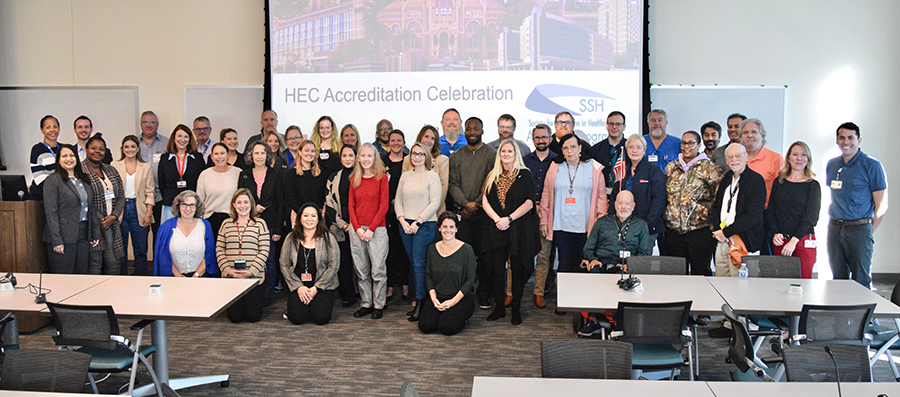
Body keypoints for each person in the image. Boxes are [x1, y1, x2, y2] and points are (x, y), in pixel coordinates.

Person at [481, 140, 539, 325]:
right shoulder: (493, 175)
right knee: (496, 270)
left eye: (510, 151)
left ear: (516, 154)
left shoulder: (524, 175)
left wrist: (509, 219)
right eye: (503, 151)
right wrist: (498, 219)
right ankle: (499, 308)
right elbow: (485, 200)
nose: (506, 154)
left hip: (518, 229)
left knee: (519, 270)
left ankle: (516, 308)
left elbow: (529, 203)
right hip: (496, 228)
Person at [577, 190, 650, 336]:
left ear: (633, 206)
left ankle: (618, 322)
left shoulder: (641, 225)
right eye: (620, 203)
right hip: (601, 263)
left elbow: (644, 253)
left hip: (624, 266)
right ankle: (595, 320)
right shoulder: (602, 222)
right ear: (615, 204)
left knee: (622, 282)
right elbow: (588, 248)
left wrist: (631, 265)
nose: (623, 207)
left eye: (627, 203)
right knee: (593, 278)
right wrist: (593, 260)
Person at [539, 133, 608, 286]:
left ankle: (580, 300)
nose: (569, 151)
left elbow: (602, 198)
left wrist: (600, 221)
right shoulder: (555, 167)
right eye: (565, 148)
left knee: (581, 263)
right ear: (561, 151)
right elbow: (546, 195)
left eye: (573, 147)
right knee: (564, 263)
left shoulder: (594, 168)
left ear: (580, 148)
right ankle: (563, 300)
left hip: (584, 225)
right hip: (561, 225)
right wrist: (544, 220)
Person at [827, 122, 888, 288]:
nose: (846, 141)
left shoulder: (871, 165)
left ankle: (865, 314)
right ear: (837, 140)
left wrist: (867, 231)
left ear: (859, 140)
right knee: (838, 276)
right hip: (835, 228)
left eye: (850, 137)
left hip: (859, 228)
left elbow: (881, 205)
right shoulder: (832, 165)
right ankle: (841, 313)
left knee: (861, 278)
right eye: (842, 137)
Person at [448, 117, 497, 309]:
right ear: (463, 131)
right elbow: (452, 184)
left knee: (485, 258)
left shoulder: (492, 154)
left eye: (476, 128)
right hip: (463, 215)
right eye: (468, 129)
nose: (472, 131)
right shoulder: (457, 156)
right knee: (464, 256)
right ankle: (464, 293)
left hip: (485, 214)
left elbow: (491, 182)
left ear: (483, 131)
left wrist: (475, 204)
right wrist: (465, 204)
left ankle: (484, 293)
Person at [663, 131, 723, 276]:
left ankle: (702, 299)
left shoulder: (709, 168)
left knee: (700, 272)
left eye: (690, 143)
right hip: (674, 231)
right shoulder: (671, 168)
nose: (686, 146)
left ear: (698, 145)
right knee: (676, 274)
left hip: (699, 230)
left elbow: (719, 198)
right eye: (683, 143)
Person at [395, 142, 442, 322]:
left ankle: (421, 303)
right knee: (413, 264)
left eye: (421, 154)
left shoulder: (432, 176)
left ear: (427, 157)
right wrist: (402, 220)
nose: (416, 157)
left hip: (424, 225)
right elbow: (398, 200)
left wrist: (418, 221)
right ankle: (417, 301)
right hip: (404, 224)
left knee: (419, 264)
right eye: (414, 153)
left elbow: (434, 203)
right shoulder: (406, 176)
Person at [766, 141, 821, 279]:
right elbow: (771, 210)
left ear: (808, 159)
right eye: (795, 154)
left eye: (803, 155)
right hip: (781, 240)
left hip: (802, 240)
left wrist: (794, 241)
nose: (799, 158)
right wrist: (775, 233)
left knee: (803, 284)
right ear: (788, 158)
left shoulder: (813, 185)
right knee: (782, 282)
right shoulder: (779, 182)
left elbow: (811, 217)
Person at [710, 143, 766, 277]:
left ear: (746, 156)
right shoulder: (727, 178)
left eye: (737, 155)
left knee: (742, 286)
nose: (733, 159)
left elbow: (752, 216)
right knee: (721, 282)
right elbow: (717, 206)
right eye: (729, 157)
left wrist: (726, 232)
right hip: (723, 240)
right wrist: (719, 230)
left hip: (744, 242)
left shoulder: (756, 180)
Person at [42, 145, 100, 274]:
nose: (69, 159)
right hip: (63, 237)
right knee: (64, 277)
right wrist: (56, 240)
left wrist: (95, 233)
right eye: (64, 156)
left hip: (83, 235)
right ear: (58, 160)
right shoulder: (53, 180)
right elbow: (51, 212)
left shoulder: (84, 180)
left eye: (72, 155)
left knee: (81, 276)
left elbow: (91, 209)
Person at [239, 141, 284, 305]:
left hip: (270, 223)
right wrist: (252, 207)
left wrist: (278, 229)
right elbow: (240, 198)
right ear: (251, 155)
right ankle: (250, 290)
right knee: (250, 258)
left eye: (262, 153)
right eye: (256, 153)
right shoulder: (244, 174)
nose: (259, 156)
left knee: (269, 260)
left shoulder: (276, 174)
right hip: (249, 223)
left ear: (268, 155)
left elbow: (280, 202)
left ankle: (267, 294)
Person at [348, 143, 390, 320]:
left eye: (369, 156)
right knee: (361, 269)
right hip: (357, 229)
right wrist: (357, 228)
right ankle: (366, 303)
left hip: (377, 229)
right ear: (358, 158)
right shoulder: (354, 179)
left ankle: (379, 304)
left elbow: (384, 206)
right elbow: (351, 206)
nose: (366, 159)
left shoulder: (381, 179)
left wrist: (371, 229)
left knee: (378, 270)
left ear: (375, 158)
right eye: (363, 156)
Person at [280, 202, 340, 325]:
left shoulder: (328, 238)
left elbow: (334, 266)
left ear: (319, 218)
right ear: (300, 218)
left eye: (313, 216)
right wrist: (298, 286)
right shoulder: (291, 238)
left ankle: (312, 304)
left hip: (322, 285)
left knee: (321, 318)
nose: (309, 219)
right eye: (305, 215)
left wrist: (316, 288)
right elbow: (284, 264)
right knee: (297, 318)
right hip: (298, 284)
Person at [418, 212, 477, 336]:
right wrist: (434, 299)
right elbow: (429, 275)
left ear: (456, 229)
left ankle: (461, 317)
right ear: (439, 228)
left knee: (447, 328)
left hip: (460, 298)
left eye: (451, 227)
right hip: (438, 296)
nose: (448, 230)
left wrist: (452, 302)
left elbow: (470, 281)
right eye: (445, 226)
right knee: (426, 326)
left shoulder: (467, 250)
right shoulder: (432, 249)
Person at [217, 188, 270, 323]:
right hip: (231, 276)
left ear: (251, 204)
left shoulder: (260, 223)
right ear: (234, 204)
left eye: (246, 202)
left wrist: (251, 271)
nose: (243, 206)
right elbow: (219, 249)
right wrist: (228, 271)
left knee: (253, 316)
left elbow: (264, 250)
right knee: (235, 317)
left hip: (254, 277)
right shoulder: (226, 224)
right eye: (239, 202)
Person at [522, 124, 557, 308]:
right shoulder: (525, 161)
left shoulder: (558, 161)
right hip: (526, 213)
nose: (541, 140)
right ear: (533, 139)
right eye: (537, 137)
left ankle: (539, 292)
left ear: (550, 139)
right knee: (522, 254)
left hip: (548, 214)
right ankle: (513, 292)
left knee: (544, 255)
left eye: (544, 137)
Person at [111, 135, 155, 275]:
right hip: (120, 209)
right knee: (120, 249)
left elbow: (150, 191)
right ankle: (122, 278)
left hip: (139, 210)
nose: (130, 149)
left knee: (140, 249)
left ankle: (141, 278)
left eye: (133, 147)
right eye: (127, 147)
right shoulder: (114, 165)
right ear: (122, 149)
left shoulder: (145, 167)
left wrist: (148, 213)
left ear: (138, 148)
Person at [82, 134, 125, 275]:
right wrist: (101, 219)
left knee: (113, 262)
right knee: (95, 262)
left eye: (101, 149)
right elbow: (83, 199)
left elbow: (120, 196)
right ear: (86, 149)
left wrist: (113, 216)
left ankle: (113, 292)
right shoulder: (81, 171)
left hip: (111, 223)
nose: (97, 151)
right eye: (93, 148)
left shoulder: (110, 170)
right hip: (93, 225)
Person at [153, 190, 218, 277]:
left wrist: (196, 276)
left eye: (192, 205)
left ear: (197, 207)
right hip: (173, 279)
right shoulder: (166, 227)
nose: (188, 209)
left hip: (200, 278)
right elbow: (163, 257)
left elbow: (210, 255)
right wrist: (179, 277)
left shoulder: (205, 226)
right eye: (184, 204)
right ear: (178, 206)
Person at [325, 144, 360, 307]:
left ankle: (363, 293)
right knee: (343, 261)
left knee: (360, 260)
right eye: (344, 156)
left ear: (356, 157)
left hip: (359, 224)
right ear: (340, 158)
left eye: (351, 155)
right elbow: (329, 205)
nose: (347, 159)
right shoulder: (333, 178)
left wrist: (354, 224)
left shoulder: (363, 176)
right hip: (339, 226)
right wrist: (343, 224)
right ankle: (348, 294)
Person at [621, 134, 666, 248]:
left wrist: (645, 225)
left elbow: (659, 200)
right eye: (631, 147)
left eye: (638, 147)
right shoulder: (623, 171)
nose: (634, 150)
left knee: (641, 263)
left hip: (646, 228)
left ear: (644, 150)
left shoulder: (653, 171)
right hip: (625, 226)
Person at [382, 130, 411, 302]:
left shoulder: (409, 160)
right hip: (385, 213)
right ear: (388, 143)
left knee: (404, 250)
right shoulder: (381, 161)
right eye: (392, 140)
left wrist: (397, 203)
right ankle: (390, 286)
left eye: (399, 140)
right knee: (390, 250)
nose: (396, 143)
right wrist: (389, 203)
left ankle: (406, 285)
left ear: (404, 141)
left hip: (406, 211)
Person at [157, 124, 204, 225]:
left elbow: (202, 181)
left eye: (186, 136)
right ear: (173, 138)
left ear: (190, 139)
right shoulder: (165, 158)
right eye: (179, 136)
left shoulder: (198, 158)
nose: (182, 139)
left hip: (191, 205)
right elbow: (161, 183)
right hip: (170, 205)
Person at [197, 143, 242, 234]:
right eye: (216, 154)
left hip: (233, 220)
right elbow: (199, 201)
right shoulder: (204, 175)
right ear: (212, 157)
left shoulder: (238, 172)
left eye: (222, 153)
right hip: (210, 219)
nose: (219, 157)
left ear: (228, 155)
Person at [403, 125, 449, 214]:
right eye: (426, 136)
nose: (429, 141)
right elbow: (404, 186)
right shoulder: (407, 159)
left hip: (435, 212)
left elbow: (443, 187)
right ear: (420, 138)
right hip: (411, 210)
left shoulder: (443, 160)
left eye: (432, 138)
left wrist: (431, 210)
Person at [138, 110, 168, 240]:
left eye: (152, 122)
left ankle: (157, 261)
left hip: (160, 196)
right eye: (145, 122)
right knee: (140, 236)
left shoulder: (166, 143)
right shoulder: (134, 143)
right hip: (140, 198)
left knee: (159, 235)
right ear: (141, 124)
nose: (148, 125)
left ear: (157, 125)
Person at [740, 118, 783, 207]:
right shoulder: (737, 159)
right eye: (745, 132)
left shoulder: (775, 158)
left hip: (766, 214)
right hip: (739, 214)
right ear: (740, 137)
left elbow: (781, 191)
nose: (750, 135)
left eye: (754, 132)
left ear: (762, 136)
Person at [285, 139, 328, 218]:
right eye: (306, 150)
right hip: (298, 215)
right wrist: (304, 214)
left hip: (317, 215)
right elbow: (291, 199)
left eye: (312, 151)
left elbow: (324, 196)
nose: (309, 153)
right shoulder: (291, 174)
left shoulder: (321, 173)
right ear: (300, 152)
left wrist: (317, 213)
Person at [589, 111, 627, 197]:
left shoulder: (630, 148)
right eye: (611, 124)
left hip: (624, 196)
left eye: (618, 124)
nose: (614, 127)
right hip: (600, 196)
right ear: (606, 126)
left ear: (624, 127)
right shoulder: (596, 149)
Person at [29, 115, 62, 201]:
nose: (52, 130)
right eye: (48, 127)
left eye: (55, 126)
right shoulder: (37, 149)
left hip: (62, 196)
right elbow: (40, 179)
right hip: (42, 197)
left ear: (59, 128)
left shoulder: (63, 149)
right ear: (42, 130)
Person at [644, 109, 682, 173]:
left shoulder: (677, 143)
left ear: (666, 123)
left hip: (670, 182)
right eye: (653, 120)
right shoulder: (640, 142)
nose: (657, 123)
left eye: (660, 120)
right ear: (648, 123)